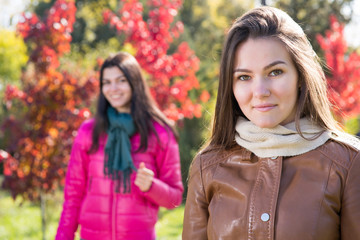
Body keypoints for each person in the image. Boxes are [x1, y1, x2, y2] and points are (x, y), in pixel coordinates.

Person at [182, 6, 360, 240]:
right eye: (244, 77)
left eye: (275, 72)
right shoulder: (207, 167)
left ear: (300, 76)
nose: (260, 91)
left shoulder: (348, 164)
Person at [56, 52, 184, 240]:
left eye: (121, 80)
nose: (113, 88)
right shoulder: (89, 132)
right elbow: (73, 197)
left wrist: (151, 186)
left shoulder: (159, 133)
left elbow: (175, 199)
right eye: (106, 82)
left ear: (135, 82)